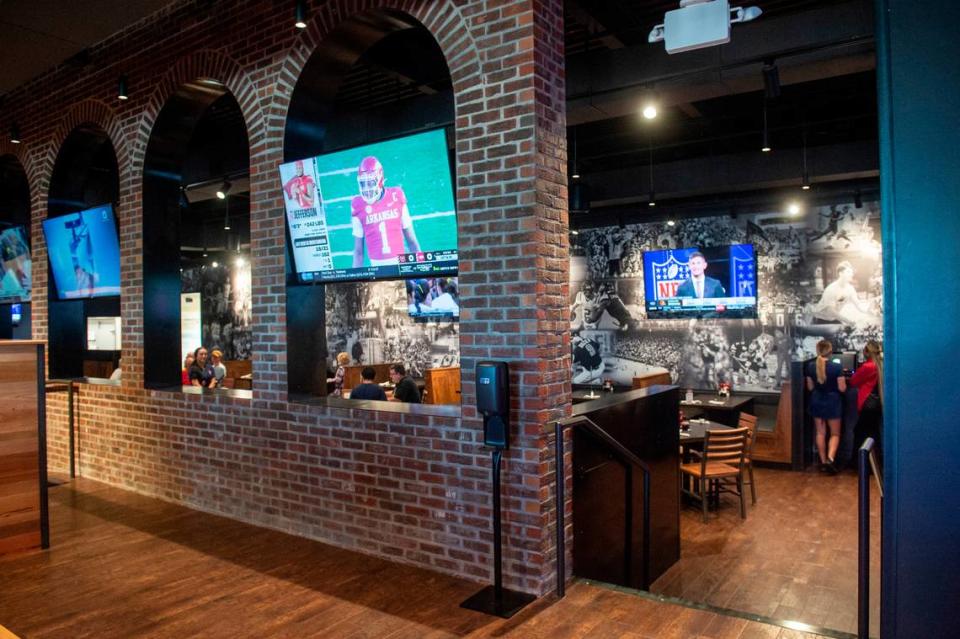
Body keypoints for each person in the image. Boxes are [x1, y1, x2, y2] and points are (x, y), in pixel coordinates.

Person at [351, 156, 421, 267]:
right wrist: (354, 282)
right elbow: (358, 252)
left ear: (380, 180)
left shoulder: (396, 195)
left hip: (401, 268)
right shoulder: (357, 204)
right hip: (378, 272)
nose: (367, 188)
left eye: (370, 183)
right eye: (363, 183)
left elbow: (412, 242)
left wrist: (422, 270)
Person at [806, 339, 846, 474]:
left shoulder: (810, 366)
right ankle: (830, 459)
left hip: (816, 400)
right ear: (830, 351)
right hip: (833, 402)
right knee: (835, 434)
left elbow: (810, 387)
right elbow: (842, 388)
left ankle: (822, 462)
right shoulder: (837, 367)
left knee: (820, 433)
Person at [808, 261, 875, 327]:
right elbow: (831, 311)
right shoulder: (831, 289)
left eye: (851, 272)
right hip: (820, 320)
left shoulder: (850, 289)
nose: (851, 274)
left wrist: (868, 310)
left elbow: (858, 304)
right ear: (841, 273)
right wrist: (847, 321)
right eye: (848, 272)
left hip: (833, 319)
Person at [850, 340, 883, 462]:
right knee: (874, 433)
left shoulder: (867, 366)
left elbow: (853, 381)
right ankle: (875, 462)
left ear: (867, 352)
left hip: (867, 403)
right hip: (877, 404)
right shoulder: (880, 365)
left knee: (860, 432)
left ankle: (860, 463)